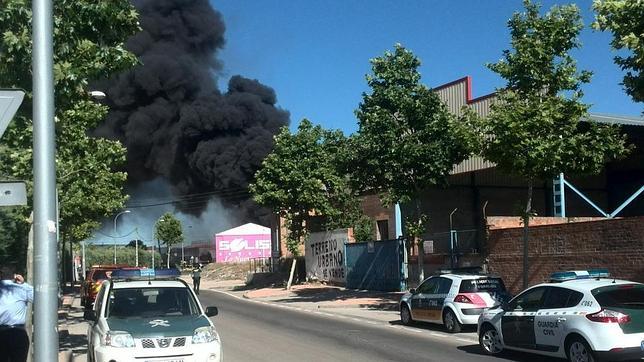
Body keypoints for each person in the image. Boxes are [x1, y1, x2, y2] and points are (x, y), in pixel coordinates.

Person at [0, 265, 33, 362]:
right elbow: (39, 297)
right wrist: (23, 284)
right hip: (18, 333)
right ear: (14, 276)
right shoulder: (21, 289)